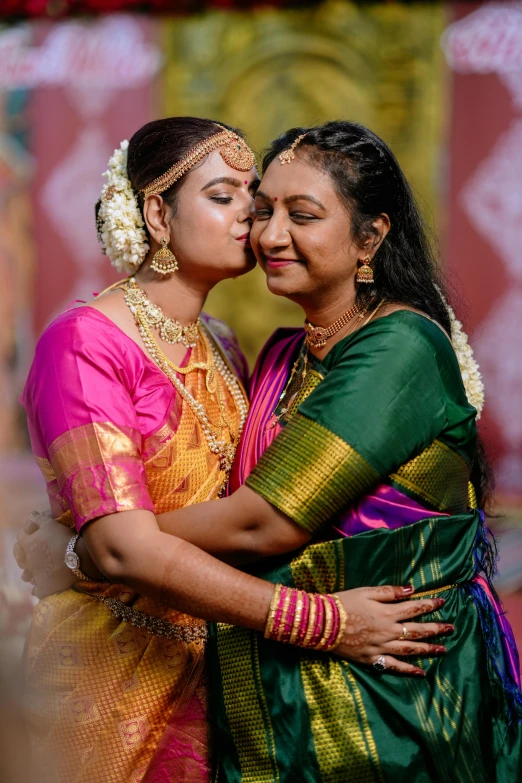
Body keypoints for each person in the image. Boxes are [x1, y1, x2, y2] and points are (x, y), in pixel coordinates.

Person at [16, 117, 447, 783]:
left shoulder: (221, 343)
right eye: (224, 197)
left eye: (256, 197)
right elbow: (124, 547)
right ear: (157, 215)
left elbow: (240, 515)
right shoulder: (84, 342)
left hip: (225, 669)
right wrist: (323, 622)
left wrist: (81, 546)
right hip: (112, 674)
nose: (252, 217)